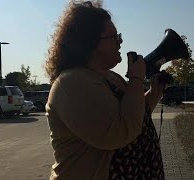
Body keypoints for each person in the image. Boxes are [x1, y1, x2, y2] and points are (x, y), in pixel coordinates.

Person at [44, 1, 165, 179]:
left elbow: (134, 113)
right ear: (90, 43)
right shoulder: (72, 83)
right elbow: (119, 131)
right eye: (114, 37)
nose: (120, 42)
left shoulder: (109, 76)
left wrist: (155, 92)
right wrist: (136, 79)